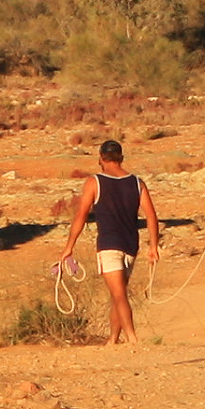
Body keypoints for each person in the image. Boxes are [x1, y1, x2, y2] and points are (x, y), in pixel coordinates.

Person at [59, 139, 161, 345]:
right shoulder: (137, 182)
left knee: (119, 294)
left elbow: (81, 215)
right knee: (118, 294)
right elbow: (151, 216)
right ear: (121, 158)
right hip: (131, 246)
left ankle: (132, 339)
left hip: (109, 245)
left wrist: (68, 248)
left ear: (101, 158)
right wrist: (153, 246)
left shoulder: (94, 182)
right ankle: (113, 340)